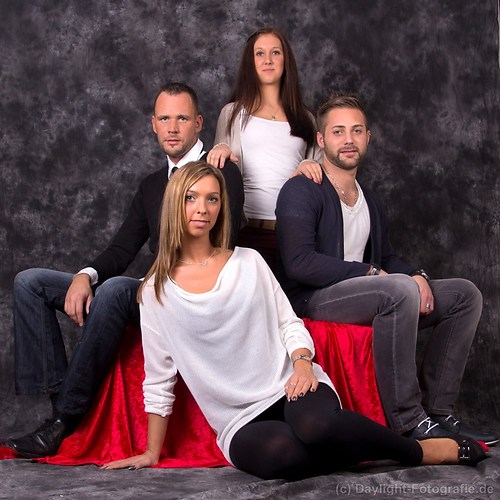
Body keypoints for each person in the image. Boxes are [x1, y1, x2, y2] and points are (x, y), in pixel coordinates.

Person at [101, 161, 486, 479]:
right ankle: (355, 450)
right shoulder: (155, 292)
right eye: (191, 197)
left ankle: (420, 451)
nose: (202, 208)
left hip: (290, 383)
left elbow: (288, 323)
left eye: (212, 198)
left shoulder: (248, 262)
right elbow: (159, 378)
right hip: (238, 418)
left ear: (221, 207)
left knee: (320, 427)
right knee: (282, 456)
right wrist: (151, 452)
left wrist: (303, 363)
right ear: (175, 204)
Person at [3, 83, 244, 459]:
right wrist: (85, 275)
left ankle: (65, 419)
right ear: (153, 124)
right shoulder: (152, 185)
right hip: (152, 288)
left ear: (199, 123)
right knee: (30, 282)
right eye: (164, 118)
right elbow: (121, 249)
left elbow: (225, 243)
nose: (172, 128)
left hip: (188, 293)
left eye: (182, 118)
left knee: (117, 290)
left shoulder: (219, 172)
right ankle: (57, 405)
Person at [275, 93, 498, 446]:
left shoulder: (370, 200)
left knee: (464, 295)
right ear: (321, 139)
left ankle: (440, 411)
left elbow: (389, 258)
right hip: (314, 299)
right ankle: (409, 421)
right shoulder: (301, 190)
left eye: (356, 130)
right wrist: (371, 273)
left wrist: (417, 275)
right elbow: (299, 263)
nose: (348, 139)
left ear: (368, 137)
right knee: (397, 289)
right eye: (338, 131)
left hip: (370, 294)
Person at [206, 27, 321, 270]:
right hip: (247, 233)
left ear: (286, 61)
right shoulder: (232, 114)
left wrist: (309, 165)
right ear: (251, 62)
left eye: (275, 52)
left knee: (295, 295)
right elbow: (217, 174)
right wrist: (220, 151)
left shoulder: (306, 119)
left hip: (295, 233)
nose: (268, 60)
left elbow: (322, 175)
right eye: (259, 53)